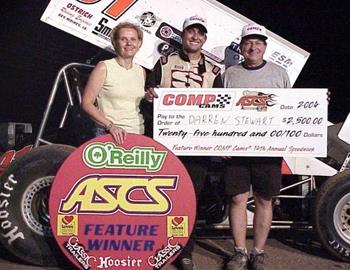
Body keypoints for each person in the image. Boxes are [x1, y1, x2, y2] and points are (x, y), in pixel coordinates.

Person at [142, 15, 223, 270]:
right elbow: (148, 94)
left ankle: (184, 251)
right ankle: (155, 244)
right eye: (191, 32)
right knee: (158, 195)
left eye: (200, 33)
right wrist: (149, 95)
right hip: (165, 145)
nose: (195, 36)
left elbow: (222, 110)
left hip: (196, 147)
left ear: (205, 39)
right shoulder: (164, 62)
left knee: (190, 199)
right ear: (183, 34)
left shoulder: (214, 71)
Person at [223, 23, 291, 270]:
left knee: (264, 199)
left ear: (265, 47)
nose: (253, 47)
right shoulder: (229, 73)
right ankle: (240, 252)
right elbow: (220, 112)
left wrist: (317, 102)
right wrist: (219, 142)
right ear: (241, 47)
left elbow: (290, 108)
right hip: (237, 148)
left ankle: (258, 252)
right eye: (248, 42)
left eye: (258, 42)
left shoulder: (279, 73)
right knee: (238, 199)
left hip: (268, 148)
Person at [82, 22, 145, 145]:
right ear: (115, 43)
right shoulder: (104, 67)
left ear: (139, 43)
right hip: (110, 135)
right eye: (123, 39)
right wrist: (110, 126)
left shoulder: (141, 71)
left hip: (137, 133)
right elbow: (86, 103)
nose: (129, 43)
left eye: (133, 39)